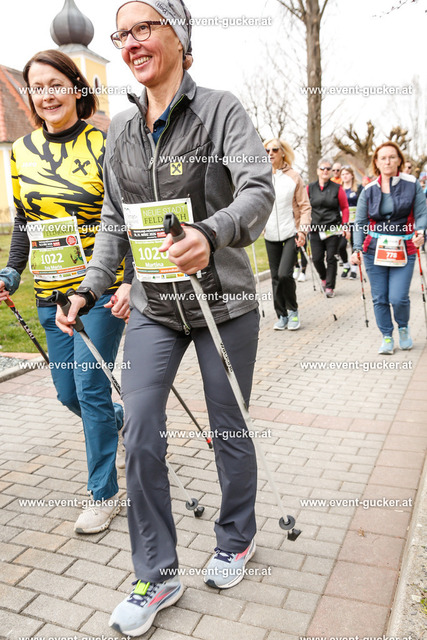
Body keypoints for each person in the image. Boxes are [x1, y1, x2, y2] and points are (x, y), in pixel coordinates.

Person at [55, 1, 274, 635]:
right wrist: (90, 289)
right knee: (140, 428)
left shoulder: (221, 110)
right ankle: (156, 571)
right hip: (154, 307)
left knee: (227, 426)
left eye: (144, 28)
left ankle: (236, 537)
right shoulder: (121, 130)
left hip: (222, 303)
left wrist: (211, 232)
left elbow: (257, 189)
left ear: (178, 35)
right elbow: (113, 222)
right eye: (122, 34)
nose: (130, 43)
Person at [0, 50, 132, 533]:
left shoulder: (105, 142)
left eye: (56, 84)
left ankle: (104, 494)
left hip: (99, 289)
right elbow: (23, 221)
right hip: (51, 292)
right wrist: (11, 272)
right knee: (67, 392)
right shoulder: (22, 150)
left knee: (90, 388)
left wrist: (130, 280)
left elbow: (127, 215)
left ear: (77, 88)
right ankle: (120, 420)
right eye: (37, 87)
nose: (47, 95)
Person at [351, 141, 427, 354]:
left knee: (398, 297)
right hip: (373, 250)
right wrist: (356, 248)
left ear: (399, 160)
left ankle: (403, 327)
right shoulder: (368, 189)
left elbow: (421, 213)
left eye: (392, 157)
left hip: (404, 248)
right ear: (376, 162)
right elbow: (360, 222)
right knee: (380, 297)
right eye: (383, 158)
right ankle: (386, 335)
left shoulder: (412, 183)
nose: (387, 161)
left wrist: (420, 232)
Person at [264, 138, 311, 330]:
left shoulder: (294, 176)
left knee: (285, 274)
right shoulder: (262, 176)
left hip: (291, 232)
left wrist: (303, 230)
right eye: (267, 150)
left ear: (283, 152)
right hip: (270, 234)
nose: (270, 153)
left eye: (275, 149)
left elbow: (305, 206)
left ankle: (293, 311)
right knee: (275, 277)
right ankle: (281, 314)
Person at [307, 158, 350, 298]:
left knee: (331, 258)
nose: (325, 171)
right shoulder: (310, 188)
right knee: (317, 258)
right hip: (315, 229)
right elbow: (305, 207)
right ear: (317, 171)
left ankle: (330, 287)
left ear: (331, 171)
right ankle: (324, 278)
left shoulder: (337, 188)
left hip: (332, 228)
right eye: (322, 168)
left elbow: (345, 207)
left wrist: (345, 225)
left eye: (328, 169)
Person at [339, 166, 362, 279]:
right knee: (341, 245)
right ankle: (346, 265)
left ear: (352, 175)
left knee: (354, 244)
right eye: (343, 174)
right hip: (343, 222)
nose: (345, 176)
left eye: (347, 174)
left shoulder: (358, 188)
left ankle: (354, 269)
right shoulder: (339, 189)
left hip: (355, 222)